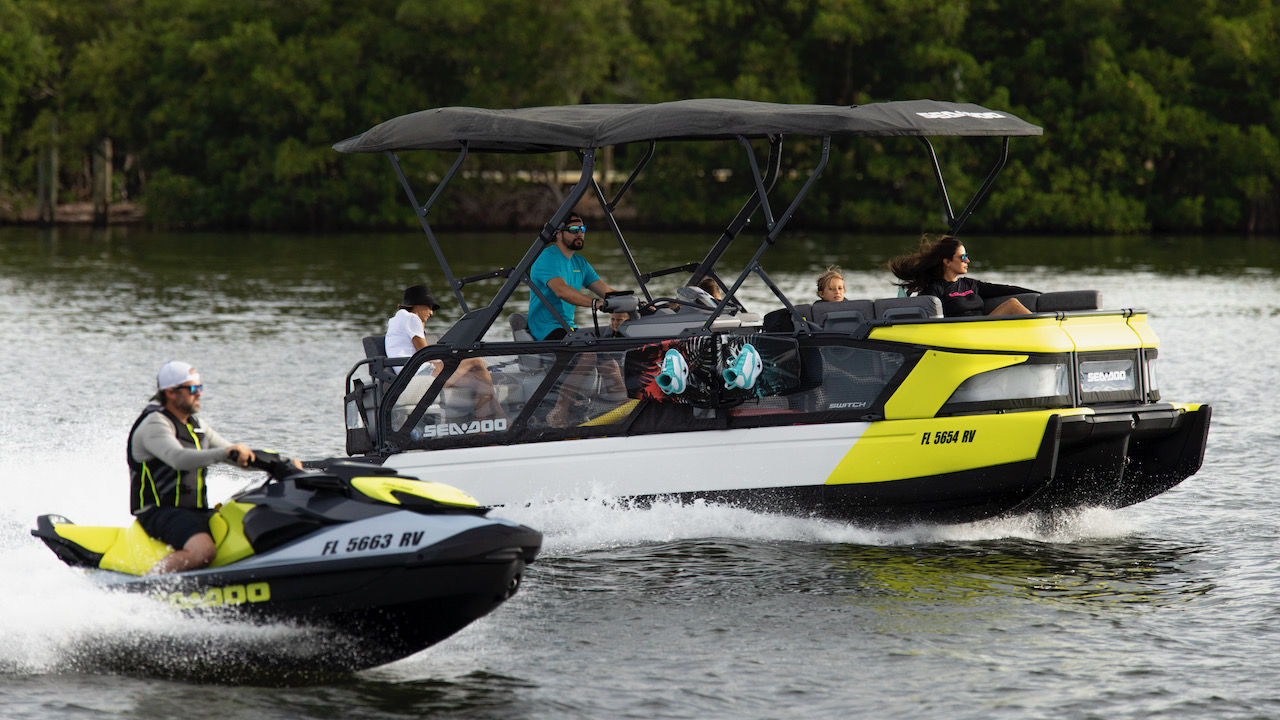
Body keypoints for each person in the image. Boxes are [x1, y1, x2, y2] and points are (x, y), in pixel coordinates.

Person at [127, 361, 282, 575]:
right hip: (159, 512)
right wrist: (224, 454)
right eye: (192, 389)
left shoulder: (196, 426)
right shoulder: (154, 424)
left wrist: (280, 463)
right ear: (171, 393)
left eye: (200, 388)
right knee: (203, 552)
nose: (199, 394)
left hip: (194, 511)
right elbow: (178, 458)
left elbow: (235, 455)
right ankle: (147, 588)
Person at [386, 285, 504, 421]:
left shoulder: (396, 320)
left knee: (479, 384)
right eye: (429, 307)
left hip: (409, 372)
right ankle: (499, 417)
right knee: (476, 360)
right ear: (417, 305)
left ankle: (484, 428)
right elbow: (425, 354)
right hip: (418, 374)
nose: (431, 313)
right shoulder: (412, 318)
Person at [527, 213, 628, 340]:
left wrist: (637, 302)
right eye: (574, 230)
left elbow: (608, 292)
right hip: (545, 331)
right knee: (592, 355)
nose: (579, 233)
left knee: (611, 355)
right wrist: (595, 304)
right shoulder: (547, 258)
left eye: (582, 229)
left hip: (568, 328)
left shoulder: (580, 262)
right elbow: (561, 291)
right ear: (558, 233)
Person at [888, 234, 1035, 317]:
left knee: (1013, 301)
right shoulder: (935, 290)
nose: (967, 261)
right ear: (947, 262)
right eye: (962, 257)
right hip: (961, 336)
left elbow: (1005, 289)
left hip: (984, 331)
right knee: (1012, 304)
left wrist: (1038, 294)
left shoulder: (971, 284)